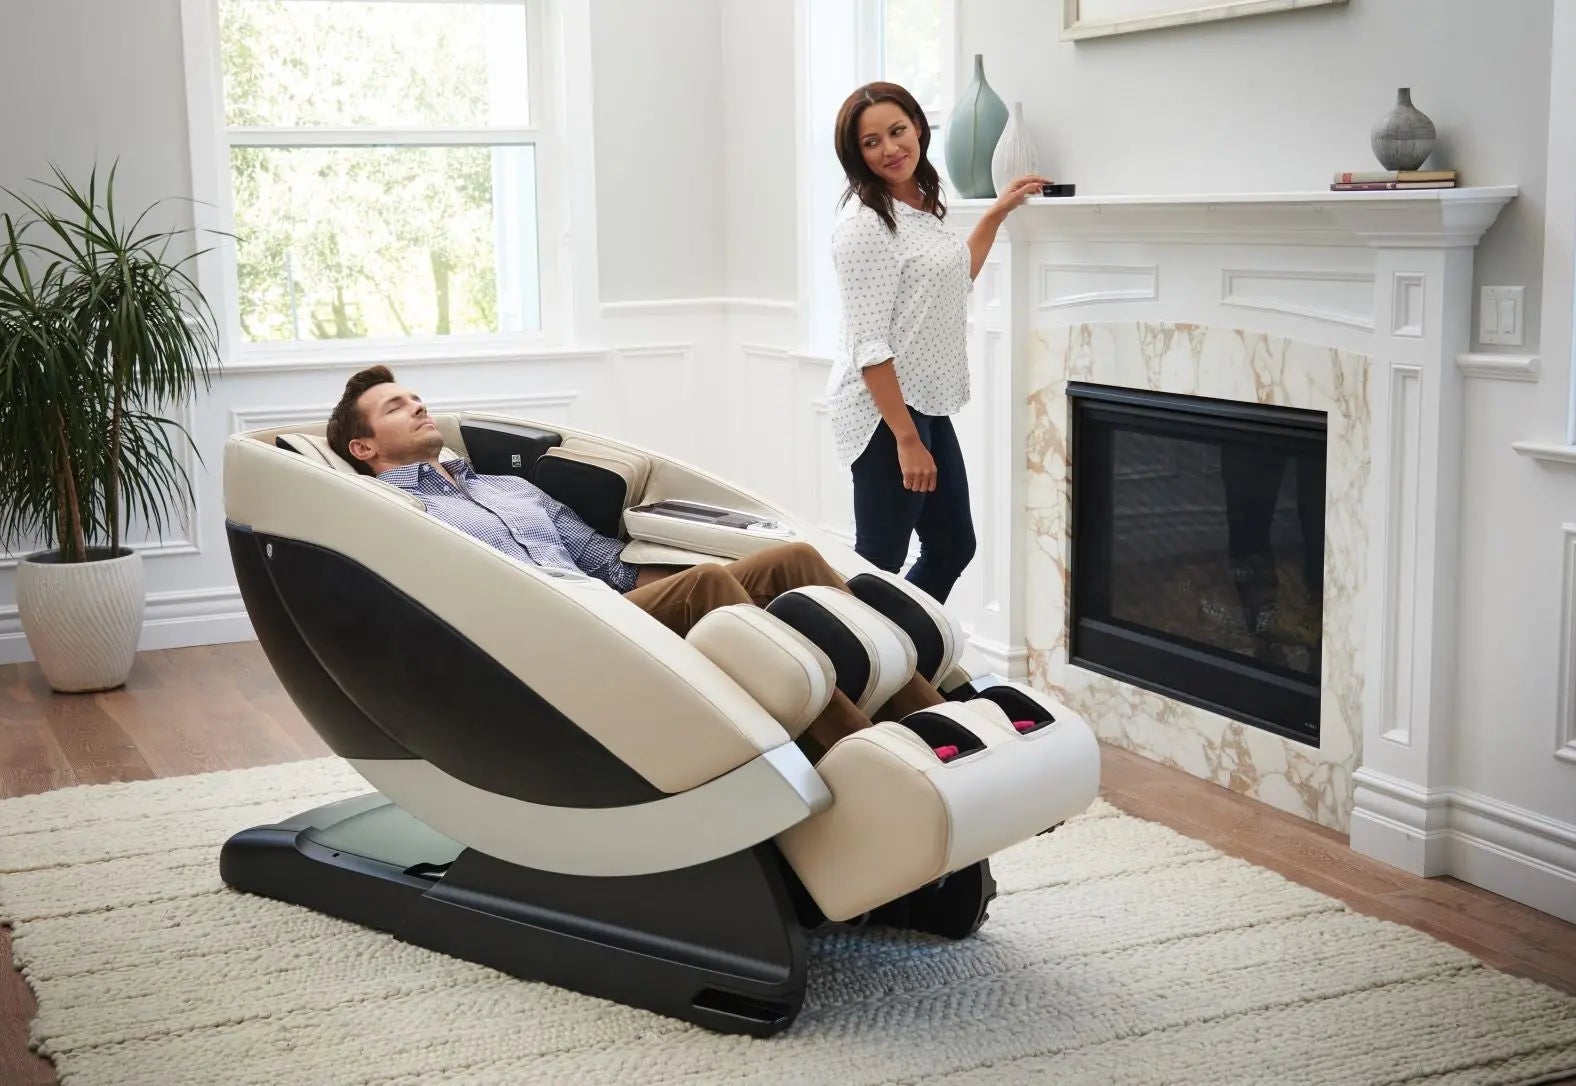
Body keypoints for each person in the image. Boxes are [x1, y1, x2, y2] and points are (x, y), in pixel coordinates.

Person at [325, 364, 949, 753]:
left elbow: (607, 562)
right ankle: (863, 750)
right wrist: (705, 586)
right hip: (553, 636)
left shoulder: (506, 486)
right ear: (363, 448)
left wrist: (701, 574)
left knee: (792, 560)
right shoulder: (399, 514)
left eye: (415, 397)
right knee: (710, 587)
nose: (417, 406)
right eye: (395, 407)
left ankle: (939, 721)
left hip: (614, 607)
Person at [826, 81, 1047, 604]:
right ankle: (852, 651)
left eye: (897, 131)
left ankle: (903, 645)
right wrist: (906, 440)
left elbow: (955, 278)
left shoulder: (921, 206)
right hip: (883, 414)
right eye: (871, 142)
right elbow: (869, 347)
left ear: (919, 128)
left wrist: (995, 212)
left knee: (952, 545)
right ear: (856, 155)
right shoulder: (863, 227)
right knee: (879, 560)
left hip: (925, 402)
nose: (890, 149)